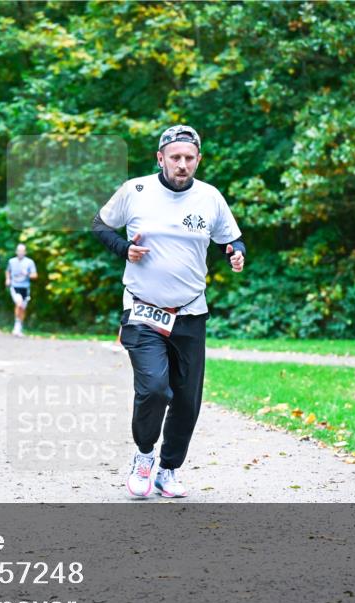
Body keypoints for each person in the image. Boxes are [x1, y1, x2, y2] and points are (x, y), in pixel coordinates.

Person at [92, 125, 246, 498]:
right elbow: (100, 225)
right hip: (143, 309)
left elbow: (231, 237)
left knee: (187, 399)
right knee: (155, 388)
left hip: (191, 312)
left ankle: (168, 469)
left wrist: (236, 252)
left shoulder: (210, 198)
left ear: (198, 160)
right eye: (175, 157)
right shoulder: (136, 191)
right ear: (160, 158)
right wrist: (123, 248)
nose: (182, 164)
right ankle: (144, 456)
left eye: (189, 158)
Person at [5, 243, 38, 337]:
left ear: (25, 252)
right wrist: (7, 279)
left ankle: (19, 326)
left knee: (23, 307)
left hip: (25, 287)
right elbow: (7, 271)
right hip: (15, 286)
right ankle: (16, 325)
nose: (20, 252)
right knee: (18, 303)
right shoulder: (11, 261)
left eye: (22, 251)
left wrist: (27, 274)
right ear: (16, 252)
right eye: (19, 250)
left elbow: (35, 275)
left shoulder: (29, 262)